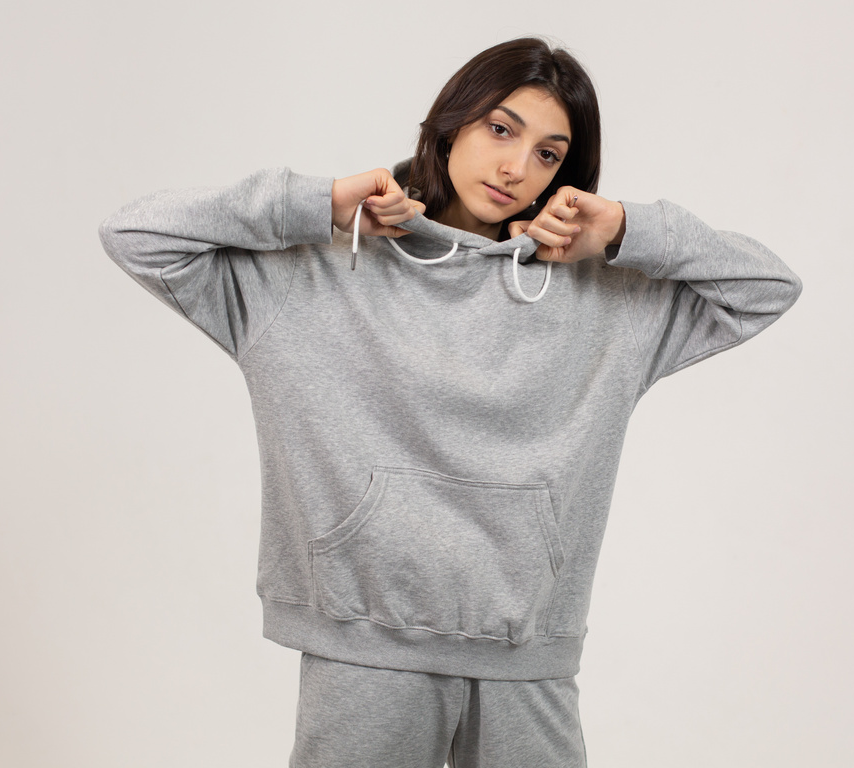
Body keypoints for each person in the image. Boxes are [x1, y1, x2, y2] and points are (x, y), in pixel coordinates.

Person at [99, 37, 801, 768]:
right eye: (501, 129)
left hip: (526, 656)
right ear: (449, 123)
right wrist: (316, 205)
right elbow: (136, 236)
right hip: (365, 647)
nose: (515, 168)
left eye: (548, 154)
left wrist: (623, 229)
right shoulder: (311, 276)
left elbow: (764, 289)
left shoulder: (605, 300)